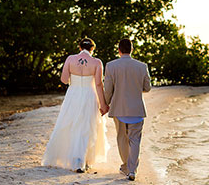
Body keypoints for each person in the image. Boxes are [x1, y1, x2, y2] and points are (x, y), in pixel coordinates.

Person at [41, 38, 109, 173]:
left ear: (79, 47)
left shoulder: (70, 59)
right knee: (86, 126)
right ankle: (82, 161)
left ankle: (76, 160)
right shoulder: (96, 62)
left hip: (73, 95)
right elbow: (99, 84)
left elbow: (64, 80)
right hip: (89, 95)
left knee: (70, 124)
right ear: (92, 49)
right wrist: (103, 104)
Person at [104, 38, 151, 181]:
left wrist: (106, 103)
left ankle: (125, 166)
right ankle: (132, 170)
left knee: (122, 139)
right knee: (135, 140)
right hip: (136, 109)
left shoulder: (111, 66)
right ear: (132, 50)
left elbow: (108, 90)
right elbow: (147, 88)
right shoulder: (142, 66)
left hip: (118, 108)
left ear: (118, 50)